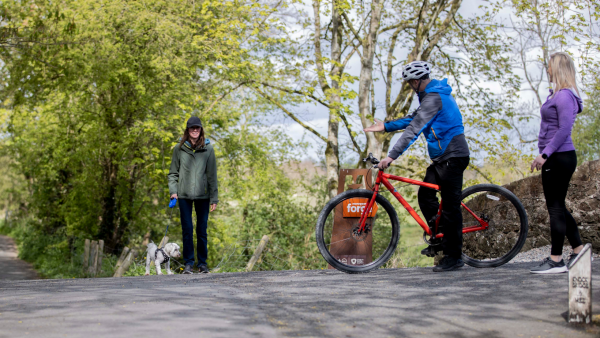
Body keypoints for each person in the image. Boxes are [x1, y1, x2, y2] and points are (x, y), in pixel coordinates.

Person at [364, 61, 470, 272]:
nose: (411, 85)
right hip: (442, 158)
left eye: (412, 81)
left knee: (450, 208)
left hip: (454, 156)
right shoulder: (428, 96)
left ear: (419, 80)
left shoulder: (434, 97)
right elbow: (413, 119)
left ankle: (454, 257)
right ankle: (439, 236)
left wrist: (391, 156)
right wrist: (385, 126)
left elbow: (414, 129)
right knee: (425, 195)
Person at [529, 52, 584, 274]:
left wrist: (545, 154)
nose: (547, 70)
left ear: (558, 68)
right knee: (558, 207)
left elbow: (563, 130)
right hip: (558, 156)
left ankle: (556, 259)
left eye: (550, 66)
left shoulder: (564, 97)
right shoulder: (558, 95)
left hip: (559, 157)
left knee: (555, 208)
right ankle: (579, 249)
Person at [168, 116, 218, 274]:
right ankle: (188, 264)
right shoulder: (179, 148)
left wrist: (214, 197)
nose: (195, 130)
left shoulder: (208, 149)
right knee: (187, 230)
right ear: (188, 130)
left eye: (197, 128)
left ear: (201, 130)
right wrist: (173, 191)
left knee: (202, 230)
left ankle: (202, 264)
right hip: (183, 195)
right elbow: (173, 173)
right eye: (192, 128)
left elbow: (212, 175)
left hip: (203, 196)